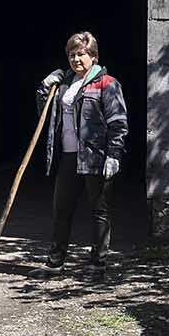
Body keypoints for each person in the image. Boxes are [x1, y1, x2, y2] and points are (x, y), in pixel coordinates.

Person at [30, 31, 128, 278]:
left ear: (93, 56)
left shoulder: (107, 83)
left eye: (81, 54)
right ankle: (55, 263)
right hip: (69, 155)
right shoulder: (64, 85)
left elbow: (118, 121)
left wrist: (114, 154)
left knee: (99, 210)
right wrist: (44, 87)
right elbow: (46, 113)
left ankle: (97, 265)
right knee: (61, 208)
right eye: (72, 55)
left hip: (96, 156)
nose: (76, 59)